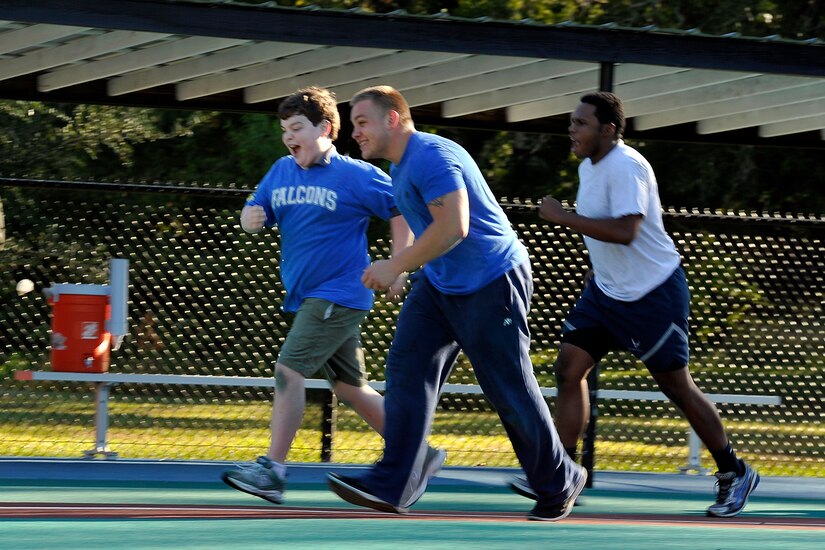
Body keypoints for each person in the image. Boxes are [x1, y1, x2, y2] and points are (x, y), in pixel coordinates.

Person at [326, 85, 586, 521]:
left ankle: (559, 479)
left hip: (492, 280)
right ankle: (395, 483)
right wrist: (409, 265)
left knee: (508, 387)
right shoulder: (403, 165)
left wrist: (396, 264)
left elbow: (455, 226)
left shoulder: (430, 156)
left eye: (362, 122)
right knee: (408, 370)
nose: (355, 133)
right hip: (442, 283)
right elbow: (429, 226)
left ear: (393, 119)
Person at [535, 91, 759, 518]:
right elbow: (602, 234)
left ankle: (735, 472)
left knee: (676, 386)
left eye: (581, 123)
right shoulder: (588, 167)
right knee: (568, 369)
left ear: (609, 130)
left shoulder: (628, 165)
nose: (572, 129)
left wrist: (562, 217)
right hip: (605, 293)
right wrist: (595, 274)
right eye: (572, 121)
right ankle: (562, 472)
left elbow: (625, 231)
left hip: (653, 294)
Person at [221, 86, 445, 505]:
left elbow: (401, 209)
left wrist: (398, 264)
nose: (290, 137)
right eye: (285, 130)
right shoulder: (281, 170)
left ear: (326, 128)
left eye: (298, 128)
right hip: (308, 297)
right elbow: (257, 211)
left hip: (339, 294)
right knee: (350, 388)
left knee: (288, 370)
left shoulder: (355, 175)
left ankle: (273, 471)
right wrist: (249, 218)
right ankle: (422, 453)